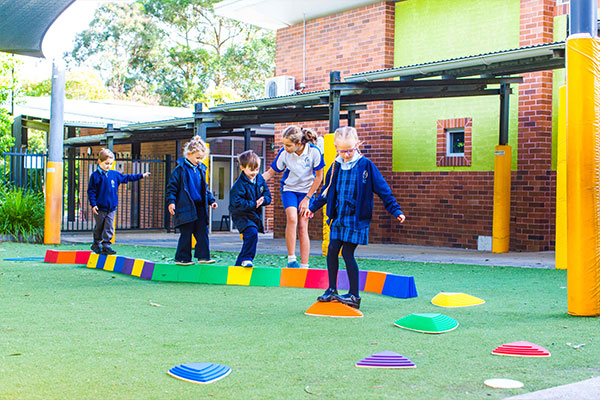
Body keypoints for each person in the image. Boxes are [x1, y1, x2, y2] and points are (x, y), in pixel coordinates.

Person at [305, 126, 406, 309]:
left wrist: (395, 210)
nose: (346, 155)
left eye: (350, 150)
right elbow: (326, 192)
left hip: (355, 219)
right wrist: (313, 208)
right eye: (342, 151)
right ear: (335, 147)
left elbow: (383, 190)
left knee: (347, 253)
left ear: (358, 144)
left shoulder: (365, 165)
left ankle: (354, 295)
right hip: (338, 217)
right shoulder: (335, 166)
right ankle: (332, 289)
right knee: (332, 249)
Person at [263, 126, 325, 268]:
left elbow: (319, 178)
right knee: (292, 218)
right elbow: (270, 173)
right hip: (289, 189)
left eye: (288, 145)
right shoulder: (284, 153)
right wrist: (255, 181)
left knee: (303, 226)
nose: (285, 148)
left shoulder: (313, 152)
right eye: (284, 144)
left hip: (307, 192)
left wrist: (307, 198)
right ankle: (291, 260)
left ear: (298, 144)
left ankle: (304, 265)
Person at [87, 148, 150, 255]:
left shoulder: (114, 174)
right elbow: (91, 191)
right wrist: (93, 204)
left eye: (110, 164)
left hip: (111, 207)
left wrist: (141, 176)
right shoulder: (95, 176)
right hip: (100, 207)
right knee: (99, 226)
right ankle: (96, 243)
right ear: (99, 162)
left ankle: (106, 244)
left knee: (109, 226)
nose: (108, 166)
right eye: (106, 163)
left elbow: (127, 178)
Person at [166, 136, 218, 265]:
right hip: (185, 206)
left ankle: (203, 256)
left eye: (201, 158)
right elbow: (172, 188)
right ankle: (182, 257)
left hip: (200, 206)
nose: (199, 161)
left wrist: (211, 200)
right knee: (186, 232)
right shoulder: (180, 170)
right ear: (189, 154)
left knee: (202, 231)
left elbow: (204, 188)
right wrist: (171, 202)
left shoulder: (200, 169)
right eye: (197, 158)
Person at [229, 150, 272, 267]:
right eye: (251, 170)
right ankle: (247, 258)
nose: (255, 172)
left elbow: (268, 195)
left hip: (253, 214)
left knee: (251, 237)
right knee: (252, 233)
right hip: (240, 215)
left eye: (257, 169)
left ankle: (238, 265)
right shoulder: (238, 185)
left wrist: (264, 200)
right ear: (242, 168)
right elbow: (237, 203)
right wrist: (254, 203)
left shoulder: (259, 179)